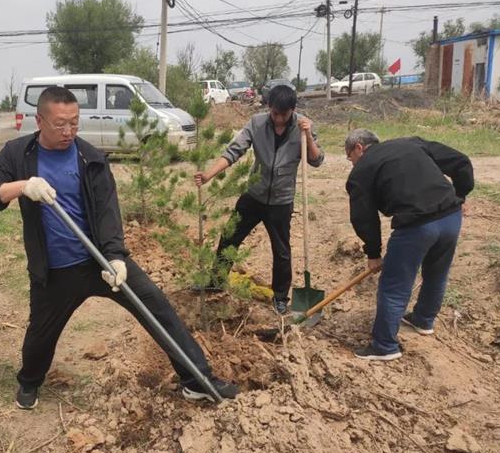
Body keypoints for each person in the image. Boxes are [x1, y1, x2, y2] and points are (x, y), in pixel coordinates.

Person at [0, 86, 237, 409]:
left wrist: (115, 257)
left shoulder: (91, 158)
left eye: (74, 122)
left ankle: (197, 380)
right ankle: (29, 381)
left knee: (156, 306)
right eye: (60, 124)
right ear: (39, 121)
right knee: (40, 336)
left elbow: (108, 211)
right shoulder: (18, 154)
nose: (69, 131)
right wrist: (23, 186)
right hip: (54, 272)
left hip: (99, 263)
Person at [344, 129, 474, 361]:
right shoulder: (411, 142)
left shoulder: (361, 171)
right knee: (437, 273)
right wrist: (460, 195)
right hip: (451, 217)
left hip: (417, 226)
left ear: (359, 148)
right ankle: (423, 320)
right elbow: (460, 161)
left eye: (349, 158)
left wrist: (373, 253)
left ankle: (384, 345)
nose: (351, 163)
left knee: (394, 285)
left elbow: (363, 218)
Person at [194, 85, 324, 314]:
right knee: (229, 237)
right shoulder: (257, 123)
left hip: (281, 201)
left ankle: (281, 296)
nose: (277, 119)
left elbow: (316, 160)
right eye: (274, 113)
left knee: (281, 251)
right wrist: (208, 175)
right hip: (254, 195)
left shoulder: (303, 126)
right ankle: (216, 281)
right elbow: (234, 151)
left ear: (292, 110)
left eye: (282, 114)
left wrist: (308, 136)